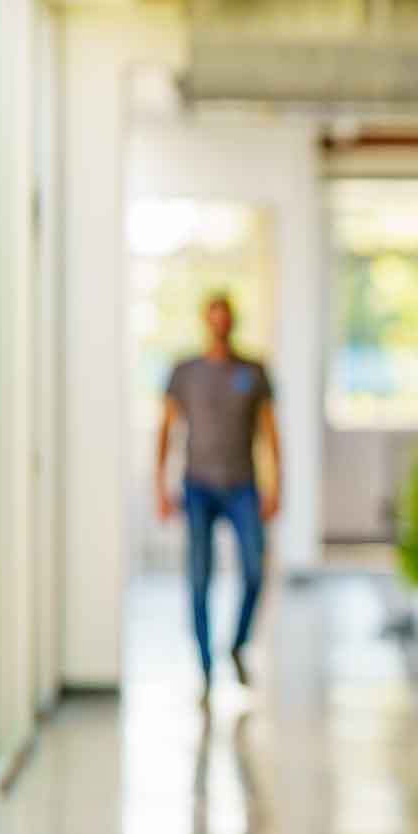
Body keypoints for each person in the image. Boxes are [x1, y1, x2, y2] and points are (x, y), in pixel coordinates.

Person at [156, 293, 281, 699]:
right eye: (213, 319)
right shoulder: (186, 372)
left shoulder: (253, 372)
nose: (219, 326)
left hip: (242, 484)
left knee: (254, 569)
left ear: (233, 321)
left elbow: (269, 432)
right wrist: (159, 484)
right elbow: (167, 429)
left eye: (225, 318)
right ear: (205, 322)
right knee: (199, 576)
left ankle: (238, 645)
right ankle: (206, 668)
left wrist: (275, 484)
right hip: (198, 486)